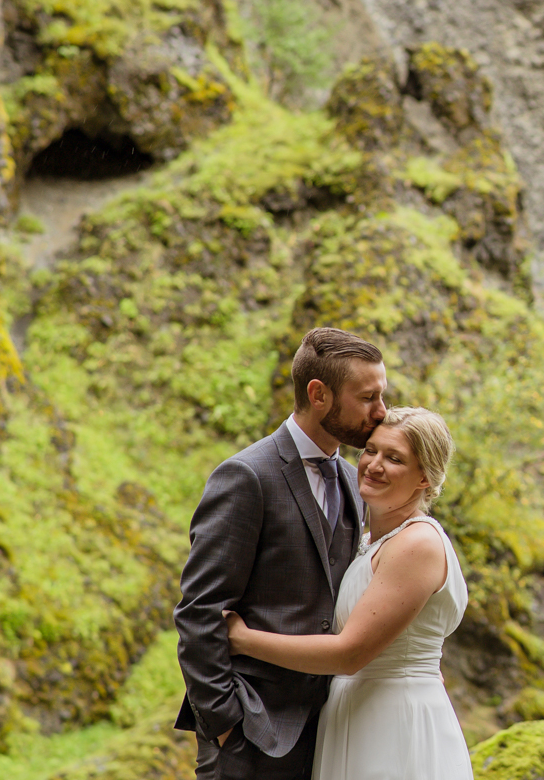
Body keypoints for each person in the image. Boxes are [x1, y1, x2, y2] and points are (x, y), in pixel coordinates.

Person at [174, 327, 388, 780]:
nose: (381, 411)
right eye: (367, 397)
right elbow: (199, 612)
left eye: (381, 395)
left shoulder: (356, 482)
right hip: (251, 733)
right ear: (319, 394)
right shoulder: (245, 476)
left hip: (332, 734)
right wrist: (225, 725)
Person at [224, 406, 473, 780]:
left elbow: (350, 654)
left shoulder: (417, 544)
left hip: (393, 721)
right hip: (354, 712)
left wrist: (242, 639)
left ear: (424, 477)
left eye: (394, 458)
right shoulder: (368, 539)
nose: (374, 465)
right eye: (370, 450)